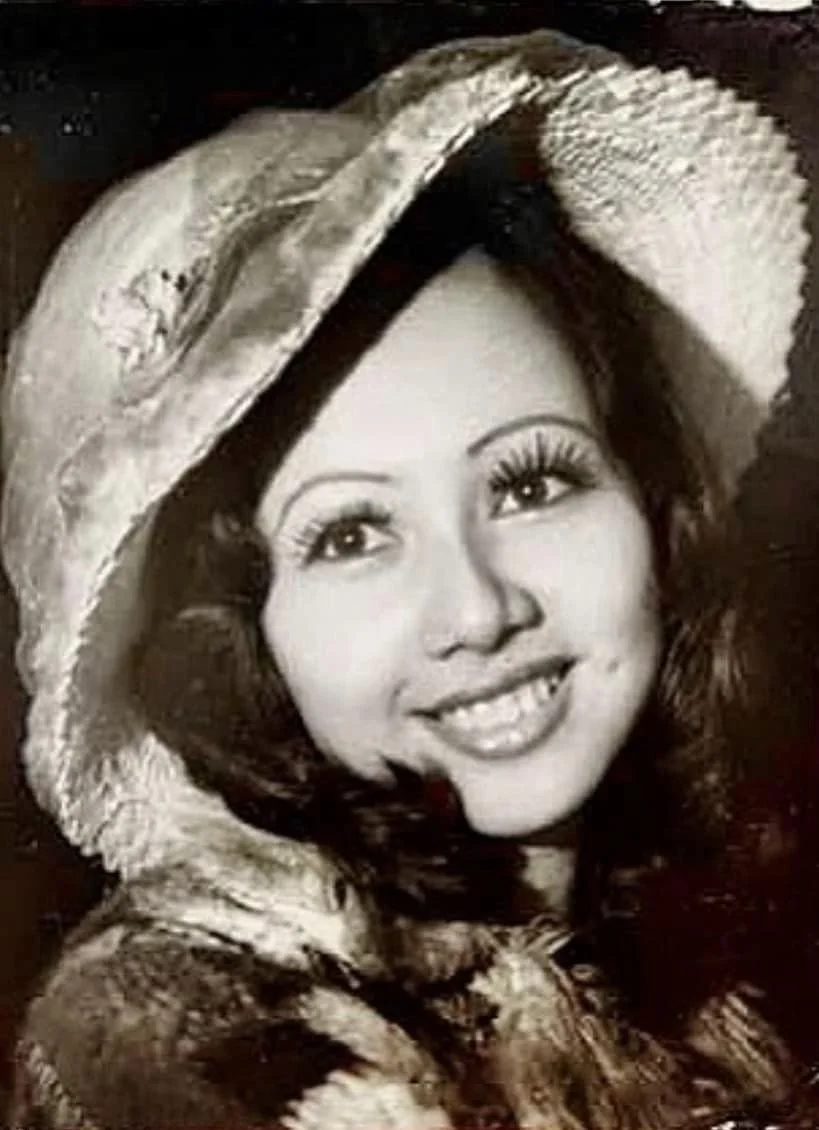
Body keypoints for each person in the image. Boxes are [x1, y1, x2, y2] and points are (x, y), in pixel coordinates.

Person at [2, 30, 815, 1130]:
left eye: (530, 482)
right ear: (238, 628)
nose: (480, 607)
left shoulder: (723, 955)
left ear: (649, 499)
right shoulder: (197, 1045)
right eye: (350, 535)